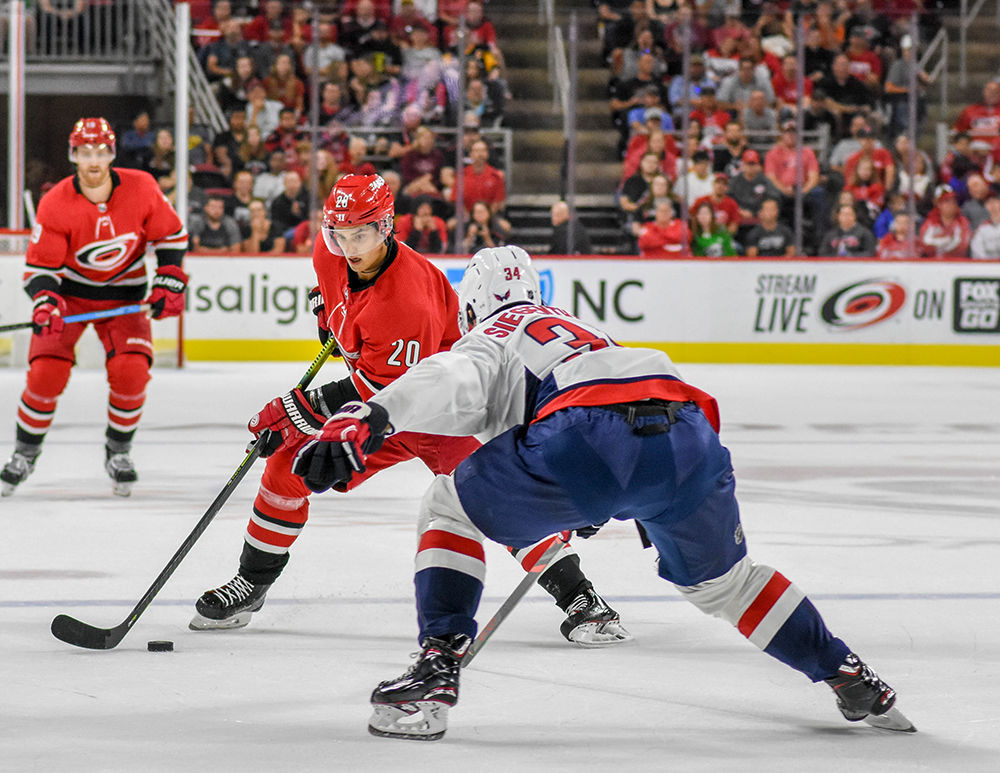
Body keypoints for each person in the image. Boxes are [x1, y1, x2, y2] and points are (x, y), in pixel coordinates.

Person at [287, 246, 909, 741]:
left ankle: (438, 661)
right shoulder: (586, 330)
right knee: (729, 583)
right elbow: (632, 395)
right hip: (687, 431)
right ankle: (848, 674)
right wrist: (613, 490)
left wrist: (369, 418)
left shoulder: (494, 332)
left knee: (449, 502)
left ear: (473, 307)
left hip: (585, 436)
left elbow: (450, 377)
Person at [190, 174, 631, 648]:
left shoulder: (409, 300)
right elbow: (334, 294)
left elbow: (384, 394)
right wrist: (328, 313)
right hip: (384, 398)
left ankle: (582, 598)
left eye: (360, 234)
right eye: (339, 234)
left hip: (442, 408)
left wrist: (299, 409)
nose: (349, 246)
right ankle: (252, 583)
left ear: (386, 226)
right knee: (285, 468)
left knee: (495, 494)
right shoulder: (330, 252)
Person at [0, 118, 188, 497]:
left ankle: (118, 451)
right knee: (45, 376)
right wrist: (45, 303)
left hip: (125, 299)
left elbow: (172, 235)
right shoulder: (55, 202)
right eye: (85, 153)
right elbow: (41, 269)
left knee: (131, 372)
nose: (94, 161)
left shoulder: (142, 187)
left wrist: (167, 278)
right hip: (70, 299)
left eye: (101, 152)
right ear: (73, 155)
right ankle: (24, 453)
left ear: (113, 154)